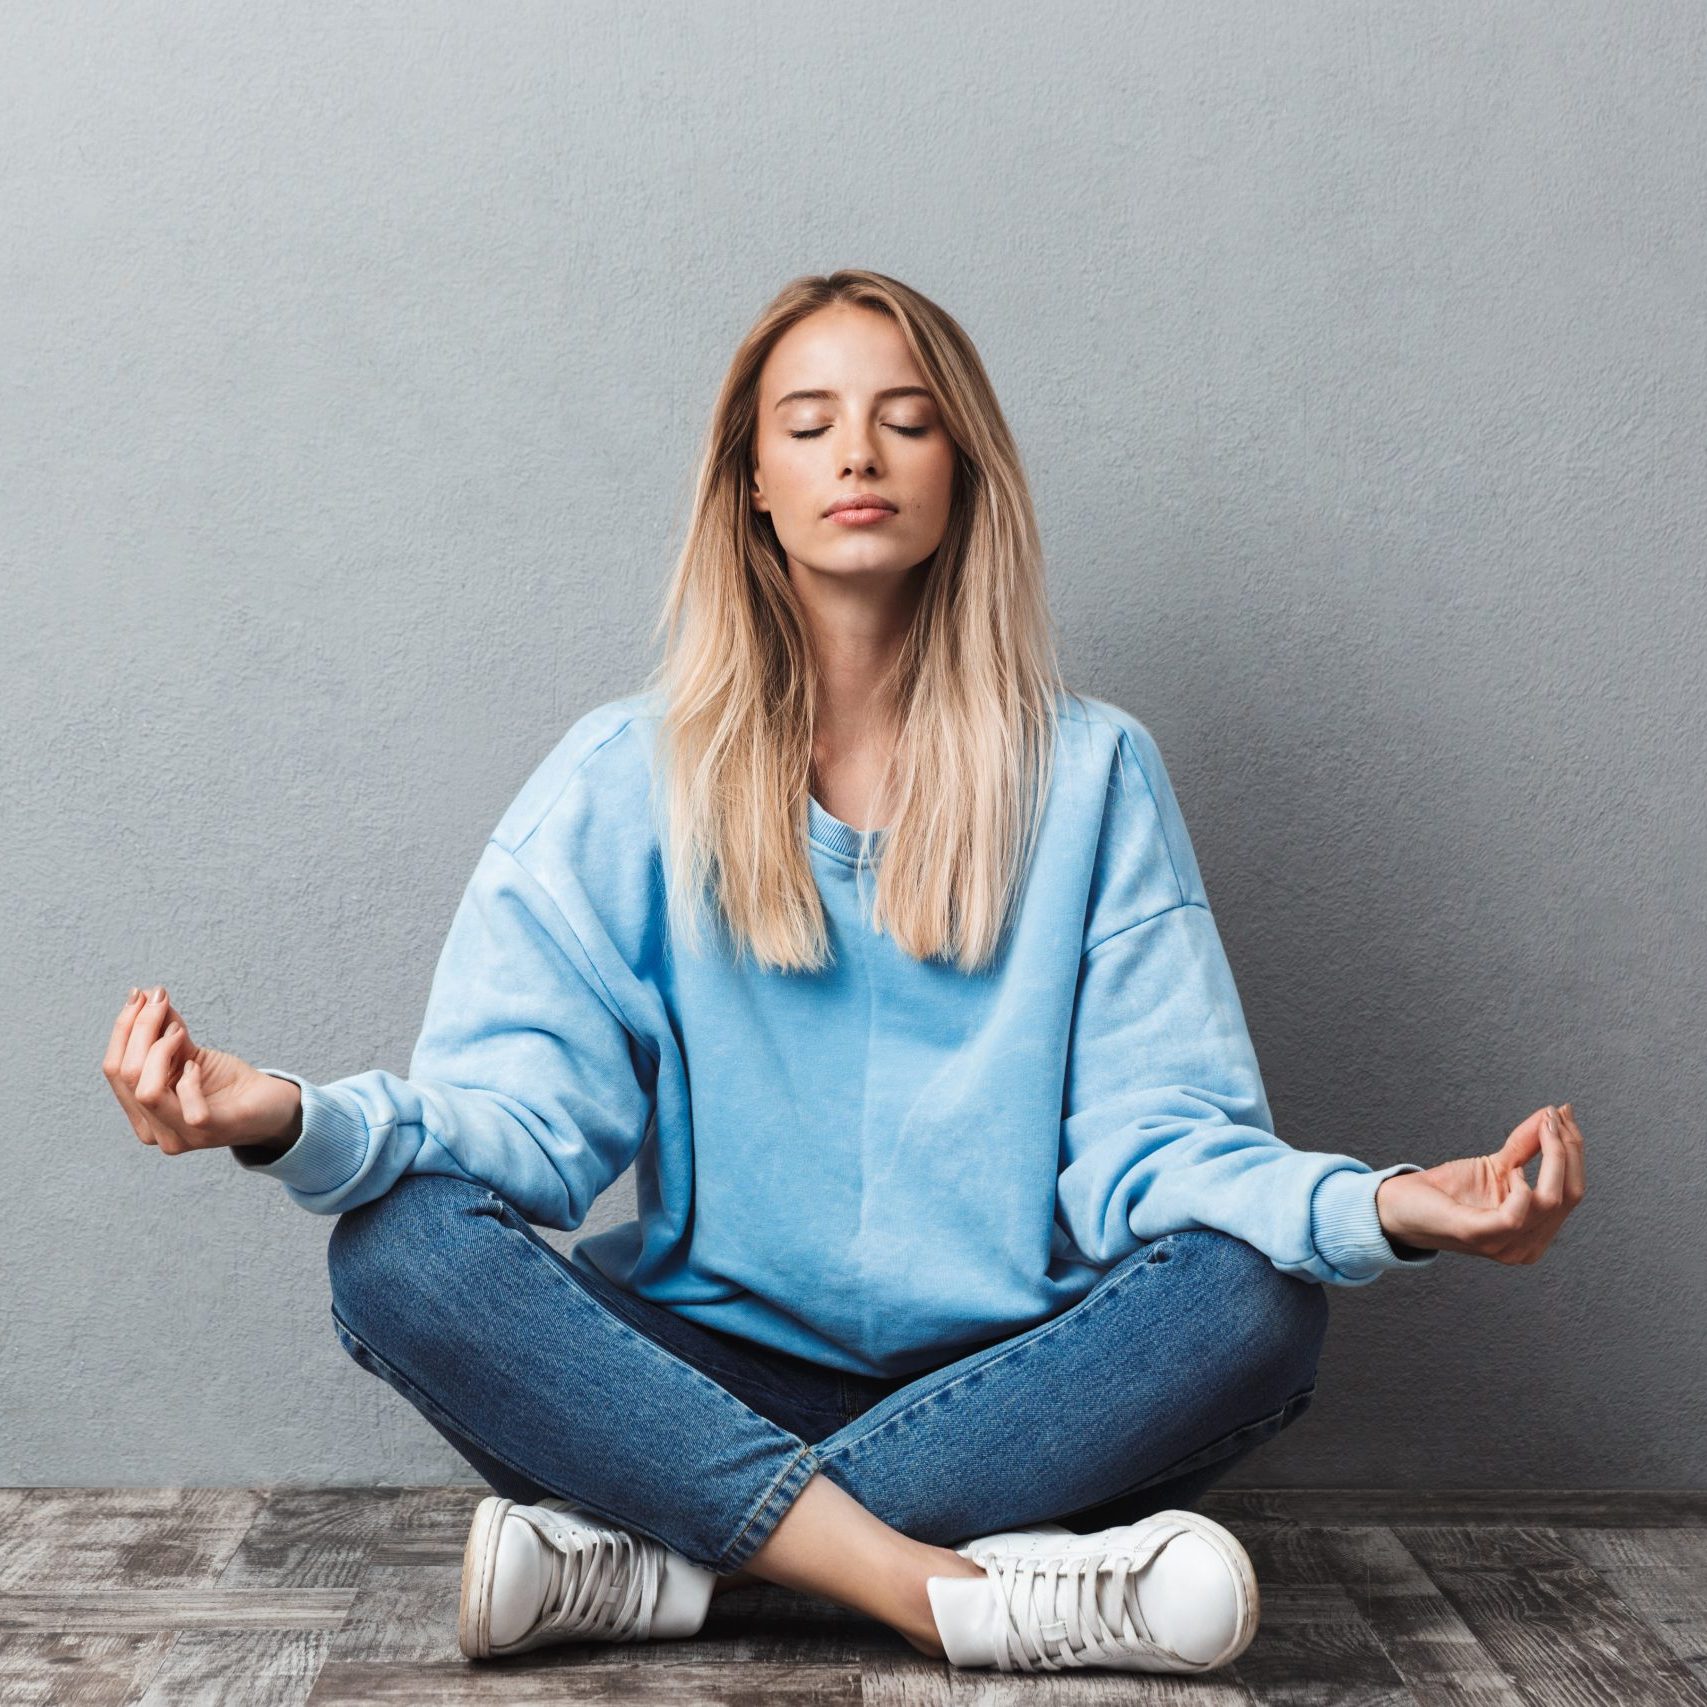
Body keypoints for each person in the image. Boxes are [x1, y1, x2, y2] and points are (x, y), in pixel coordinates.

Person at [103, 269, 1587, 1676]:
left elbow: (1160, 1145)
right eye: (806, 424)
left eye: (906, 415)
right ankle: (939, 1590)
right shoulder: (624, 778)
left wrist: (1389, 1207)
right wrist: (287, 1117)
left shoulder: (1092, 775)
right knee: (395, 1249)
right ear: (752, 483)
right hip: (693, 1383)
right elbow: (520, 1130)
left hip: (1017, 1398)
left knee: (1257, 1300)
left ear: (963, 471)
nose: (857, 452)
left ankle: (681, 1569)